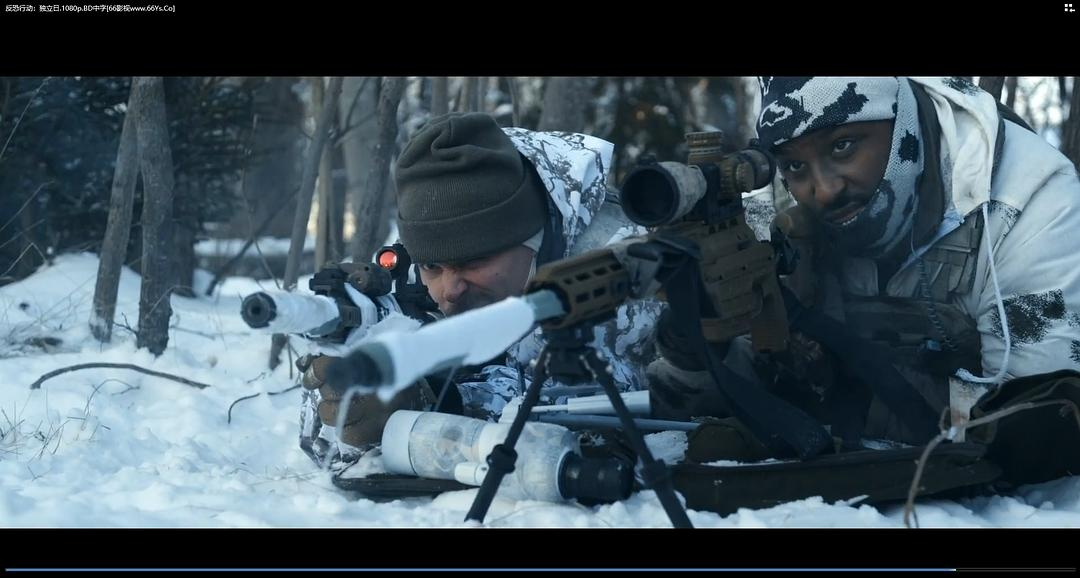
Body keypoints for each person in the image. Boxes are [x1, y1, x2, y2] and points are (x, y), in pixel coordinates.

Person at [649, 76, 1080, 449]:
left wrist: (846, 392)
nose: (824, 190)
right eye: (795, 165)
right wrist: (697, 352)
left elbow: (1038, 423)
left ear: (902, 124)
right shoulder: (788, 212)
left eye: (843, 146)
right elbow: (718, 403)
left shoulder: (1029, 199)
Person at [299, 112, 662, 471]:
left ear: (534, 242)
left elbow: (593, 402)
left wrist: (441, 402)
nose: (450, 290)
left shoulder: (613, 254)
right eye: (432, 266)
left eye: (473, 263)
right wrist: (346, 391)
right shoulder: (425, 251)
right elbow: (326, 448)